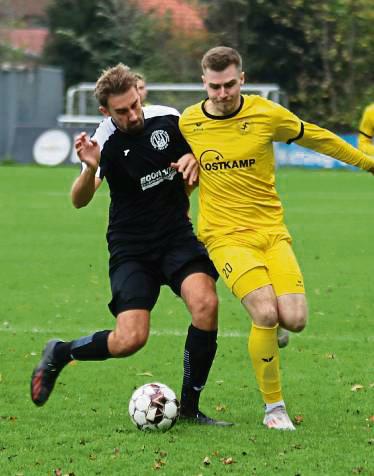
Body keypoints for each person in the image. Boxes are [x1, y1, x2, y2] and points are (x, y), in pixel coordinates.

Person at [176, 46, 374, 431]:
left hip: (271, 232)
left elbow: (317, 138)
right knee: (265, 313)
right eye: (214, 86)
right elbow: (171, 165)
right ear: (204, 83)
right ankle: (274, 409)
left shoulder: (266, 113)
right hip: (224, 236)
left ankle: (277, 327)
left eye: (229, 84)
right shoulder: (188, 123)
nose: (222, 93)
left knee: (295, 320)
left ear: (242, 79)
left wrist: (368, 163)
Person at [30, 63, 232, 426]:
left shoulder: (169, 119)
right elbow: (79, 200)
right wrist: (90, 168)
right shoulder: (103, 140)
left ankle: (188, 408)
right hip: (131, 247)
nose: (132, 114)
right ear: (106, 111)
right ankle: (60, 353)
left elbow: (202, 155)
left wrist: (193, 158)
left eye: (135, 104)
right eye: (122, 111)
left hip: (175, 236)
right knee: (130, 339)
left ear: (141, 95)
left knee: (206, 304)